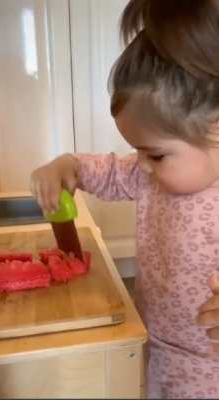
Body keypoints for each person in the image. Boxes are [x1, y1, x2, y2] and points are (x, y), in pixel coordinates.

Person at [31, 1, 219, 397]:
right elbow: (111, 172)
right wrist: (69, 165)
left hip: (206, 369)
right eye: (137, 151)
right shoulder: (151, 174)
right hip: (153, 340)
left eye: (155, 153)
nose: (141, 166)